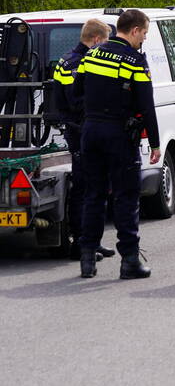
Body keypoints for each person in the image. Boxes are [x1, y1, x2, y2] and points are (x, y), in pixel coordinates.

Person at [74, 9, 161, 279]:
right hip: (119, 135)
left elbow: (76, 92)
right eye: (144, 33)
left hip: (90, 131)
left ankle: (87, 259)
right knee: (126, 197)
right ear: (134, 30)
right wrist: (155, 143)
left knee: (93, 195)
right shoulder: (133, 60)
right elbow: (146, 105)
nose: (143, 39)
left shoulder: (91, 54)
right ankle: (130, 261)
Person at [52, 18, 114, 261]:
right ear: (97, 40)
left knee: (95, 188)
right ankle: (80, 243)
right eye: (105, 41)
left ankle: (93, 241)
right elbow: (76, 100)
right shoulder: (77, 64)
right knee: (84, 188)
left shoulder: (65, 60)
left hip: (80, 128)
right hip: (81, 130)